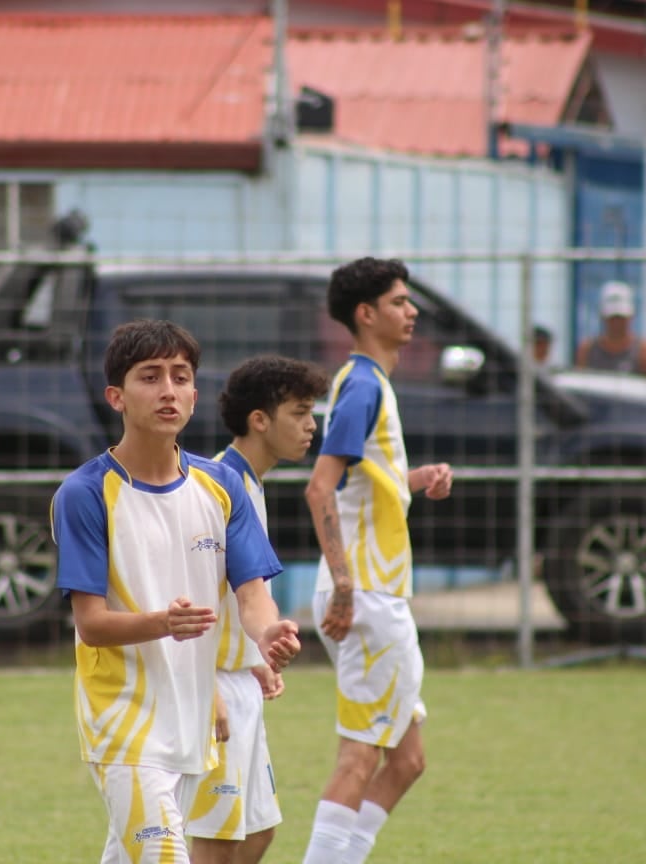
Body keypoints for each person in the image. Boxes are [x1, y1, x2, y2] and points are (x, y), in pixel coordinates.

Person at [52, 320, 302, 864]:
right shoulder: (85, 494)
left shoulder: (221, 485)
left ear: (194, 393)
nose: (168, 390)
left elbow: (252, 594)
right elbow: (91, 623)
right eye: (150, 377)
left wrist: (269, 631)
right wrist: (163, 623)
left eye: (180, 376)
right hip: (123, 722)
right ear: (116, 396)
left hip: (190, 724)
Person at [301, 257, 454, 864]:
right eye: (397, 301)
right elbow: (320, 488)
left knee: (408, 760)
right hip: (366, 595)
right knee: (360, 756)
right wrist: (344, 585)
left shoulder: (371, 384)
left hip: (374, 592)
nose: (411, 311)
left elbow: (362, 486)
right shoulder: (362, 384)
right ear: (365, 315)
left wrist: (414, 479)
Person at [187, 355, 330, 864]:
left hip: (239, 680)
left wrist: (255, 657)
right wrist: (206, 690)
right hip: (212, 686)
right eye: (300, 411)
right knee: (216, 845)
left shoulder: (249, 483)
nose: (312, 424)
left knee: (257, 836)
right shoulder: (216, 489)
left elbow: (242, 597)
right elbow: (189, 602)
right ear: (259, 420)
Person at [575, 280, 646, 378]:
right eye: (612, 318)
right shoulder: (587, 350)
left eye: (621, 318)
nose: (617, 323)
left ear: (631, 316)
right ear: (602, 316)